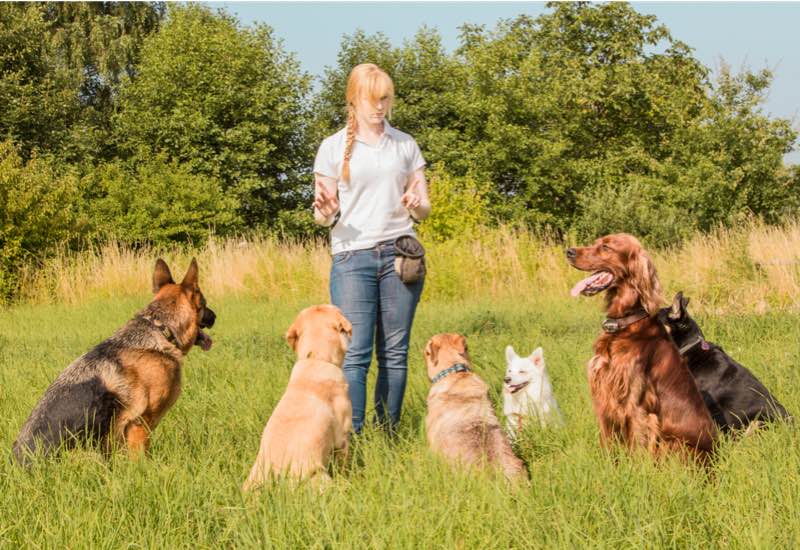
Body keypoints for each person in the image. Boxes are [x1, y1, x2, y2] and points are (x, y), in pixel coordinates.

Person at [312, 63, 431, 433]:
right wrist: (327, 211)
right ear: (353, 99)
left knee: (394, 354)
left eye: (385, 99)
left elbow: (424, 208)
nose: (380, 107)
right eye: (372, 99)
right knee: (355, 355)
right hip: (352, 257)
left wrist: (416, 202)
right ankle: (355, 437)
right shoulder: (332, 148)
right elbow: (322, 215)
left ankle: (388, 435)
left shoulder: (405, 144)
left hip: (400, 256)